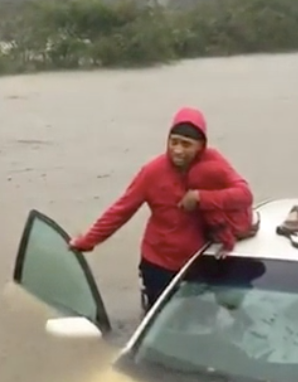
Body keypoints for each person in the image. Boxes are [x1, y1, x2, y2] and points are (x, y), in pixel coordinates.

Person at [69, 106, 254, 312]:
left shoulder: (214, 164)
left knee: (202, 320)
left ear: (201, 146)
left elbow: (244, 195)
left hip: (201, 261)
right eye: (173, 142)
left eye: (186, 144)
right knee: (157, 321)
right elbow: (121, 210)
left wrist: (202, 197)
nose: (178, 150)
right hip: (159, 264)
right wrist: (88, 241)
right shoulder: (152, 172)